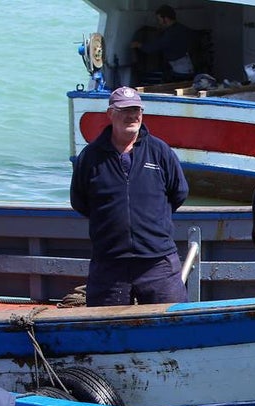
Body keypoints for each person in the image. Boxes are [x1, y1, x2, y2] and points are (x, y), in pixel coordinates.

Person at [70, 86, 189, 307]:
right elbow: (80, 201)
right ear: (110, 114)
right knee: (104, 332)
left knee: (172, 325)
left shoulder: (160, 151)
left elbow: (179, 192)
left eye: (136, 110)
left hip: (157, 261)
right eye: (124, 110)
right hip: (109, 262)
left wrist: (150, 221)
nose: (131, 116)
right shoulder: (90, 156)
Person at [130, 5, 202, 81]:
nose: (158, 23)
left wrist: (138, 45)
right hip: (189, 67)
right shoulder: (183, 29)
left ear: (166, 19)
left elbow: (153, 48)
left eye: (159, 20)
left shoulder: (170, 33)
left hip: (181, 71)